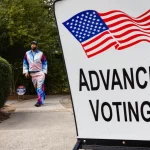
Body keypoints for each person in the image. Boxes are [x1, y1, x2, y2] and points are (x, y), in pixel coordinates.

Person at [23, 41, 48, 107]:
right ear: (31, 45)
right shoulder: (27, 53)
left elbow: (45, 62)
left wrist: (44, 72)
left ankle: (39, 102)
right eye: (32, 44)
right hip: (32, 74)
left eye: (34, 45)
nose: (33, 46)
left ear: (36, 46)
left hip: (40, 73)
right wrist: (26, 71)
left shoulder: (41, 53)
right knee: (36, 87)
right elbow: (25, 62)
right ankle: (43, 95)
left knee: (39, 88)